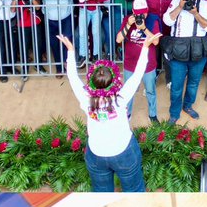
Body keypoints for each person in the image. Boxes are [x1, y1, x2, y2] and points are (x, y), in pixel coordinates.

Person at [61, 32, 156, 191]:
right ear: (114, 81)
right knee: (134, 191)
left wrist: (71, 51)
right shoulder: (121, 98)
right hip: (124, 152)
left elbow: (72, 77)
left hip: (97, 153)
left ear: (91, 82)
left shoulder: (86, 99)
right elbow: (137, 74)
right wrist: (145, 47)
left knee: (102, 194)